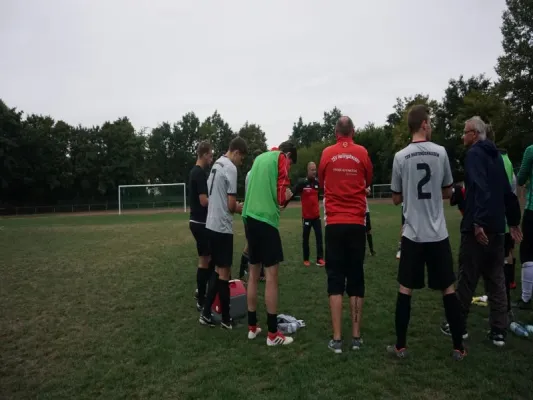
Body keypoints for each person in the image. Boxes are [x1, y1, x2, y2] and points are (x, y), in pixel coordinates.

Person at [385, 105, 466, 361]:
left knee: (405, 289)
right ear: (423, 124)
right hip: (438, 234)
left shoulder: (400, 157)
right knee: (448, 290)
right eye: (429, 122)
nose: (430, 126)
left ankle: (400, 346)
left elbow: (396, 199)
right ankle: (458, 347)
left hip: (412, 235)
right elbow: (447, 191)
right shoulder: (441, 152)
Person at [454, 116, 521, 347]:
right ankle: (498, 332)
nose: (462, 136)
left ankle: (458, 326)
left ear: (474, 134)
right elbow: (507, 192)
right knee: (496, 279)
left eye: (464, 132)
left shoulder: (474, 155)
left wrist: (477, 222)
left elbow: (480, 188)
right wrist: (513, 221)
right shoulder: (497, 157)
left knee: (467, 277)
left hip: (478, 227)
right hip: (498, 227)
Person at [318, 116, 373, 353]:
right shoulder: (362, 152)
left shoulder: (326, 153)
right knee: (356, 276)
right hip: (356, 224)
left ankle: (337, 339)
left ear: (335, 132)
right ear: (353, 131)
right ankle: (357, 337)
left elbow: (322, 182)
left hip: (334, 224)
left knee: (335, 279)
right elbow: (367, 179)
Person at [242, 141, 297, 346]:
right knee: (272, 276)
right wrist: (288, 196)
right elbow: (281, 197)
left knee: (254, 273)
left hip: (250, 218)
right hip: (266, 221)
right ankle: (273, 334)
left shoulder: (259, 158)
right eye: (291, 161)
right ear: (288, 154)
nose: (289, 165)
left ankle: (252, 327)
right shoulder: (280, 158)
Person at [199, 137, 248, 329]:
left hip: (210, 225)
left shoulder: (215, 165)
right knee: (224, 272)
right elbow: (230, 205)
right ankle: (227, 320)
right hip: (221, 227)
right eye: (241, 158)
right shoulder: (230, 168)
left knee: (218, 270)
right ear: (236, 152)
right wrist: (241, 207)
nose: (240, 162)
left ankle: (205, 313)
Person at [188, 141, 214, 311]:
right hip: (200, 222)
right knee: (205, 260)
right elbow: (204, 201)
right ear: (204, 155)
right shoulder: (199, 173)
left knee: (208, 258)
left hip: (196, 222)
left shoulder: (194, 172)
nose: (212, 158)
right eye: (211, 155)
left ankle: (203, 291)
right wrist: (219, 202)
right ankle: (201, 297)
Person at [289, 161, 325, 267]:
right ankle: (306, 259)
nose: (314, 172)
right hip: (306, 217)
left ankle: (320, 259)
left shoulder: (318, 183)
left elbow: (318, 197)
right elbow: (292, 192)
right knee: (306, 239)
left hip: (316, 216)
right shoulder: (302, 183)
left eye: (315, 170)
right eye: (312, 170)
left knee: (319, 237)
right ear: (308, 170)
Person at [238, 149, 266, 281]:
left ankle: (259, 272)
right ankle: (243, 269)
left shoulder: (254, 173)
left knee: (257, 243)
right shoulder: (252, 174)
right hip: (252, 213)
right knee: (251, 242)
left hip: (253, 212)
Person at [514, 143, 533, 310]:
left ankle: (526, 298)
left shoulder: (531, 150)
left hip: (532, 210)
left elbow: (520, 179)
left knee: (528, 253)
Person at [365, 187, 376, 256]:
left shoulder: (366, 182)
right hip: (356, 209)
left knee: (368, 230)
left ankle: (371, 250)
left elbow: (368, 192)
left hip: (365, 210)